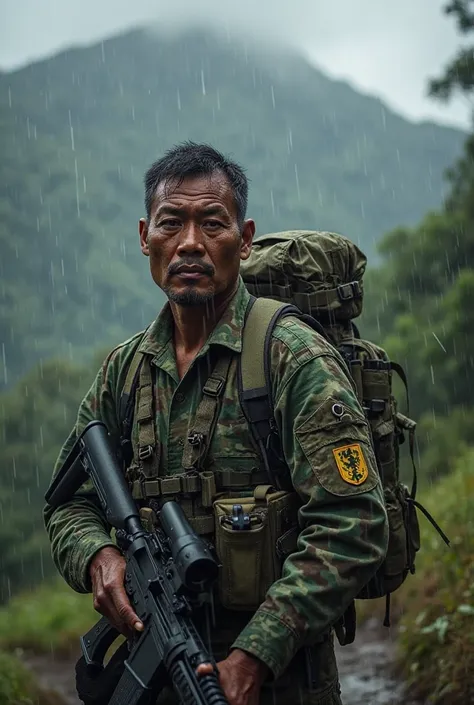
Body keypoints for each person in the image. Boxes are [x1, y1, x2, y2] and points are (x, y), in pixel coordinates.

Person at [44, 142, 388, 705]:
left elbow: (354, 522)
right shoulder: (123, 373)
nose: (189, 244)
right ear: (143, 237)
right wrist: (98, 557)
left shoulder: (292, 359)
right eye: (171, 223)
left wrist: (256, 654)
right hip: (151, 664)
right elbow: (66, 501)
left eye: (213, 224)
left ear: (245, 239)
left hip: (280, 683)